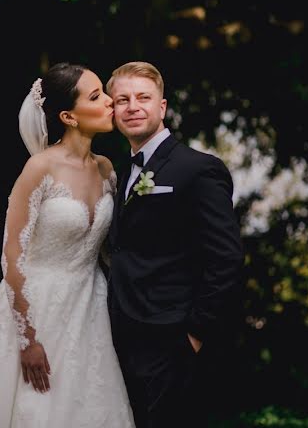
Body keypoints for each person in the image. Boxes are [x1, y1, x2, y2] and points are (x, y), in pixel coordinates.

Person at [0, 62, 135, 427]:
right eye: (96, 96)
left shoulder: (107, 170)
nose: (110, 102)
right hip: (37, 310)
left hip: (90, 307)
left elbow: (108, 250)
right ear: (68, 117)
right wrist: (27, 338)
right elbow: (12, 255)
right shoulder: (39, 169)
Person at [104, 61, 244, 428]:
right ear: (113, 110)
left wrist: (195, 333)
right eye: (122, 99)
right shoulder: (120, 172)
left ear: (162, 107)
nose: (132, 106)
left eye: (143, 97)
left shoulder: (198, 169)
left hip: (172, 338)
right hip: (124, 334)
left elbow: (226, 257)